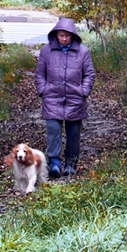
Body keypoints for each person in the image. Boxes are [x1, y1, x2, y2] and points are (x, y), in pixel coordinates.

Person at [35, 17, 95, 179]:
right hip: (52, 98)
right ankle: (55, 163)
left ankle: (70, 164)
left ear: (73, 36)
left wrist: (83, 91)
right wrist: (43, 90)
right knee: (53, 131)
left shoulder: (83, 51)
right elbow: (40, 73)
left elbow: (89, 74)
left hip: (75, 100)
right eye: (61, 35)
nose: (63, 38)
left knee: (74, 133)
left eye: (67, 36)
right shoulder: (46, 51)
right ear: (56, 35)